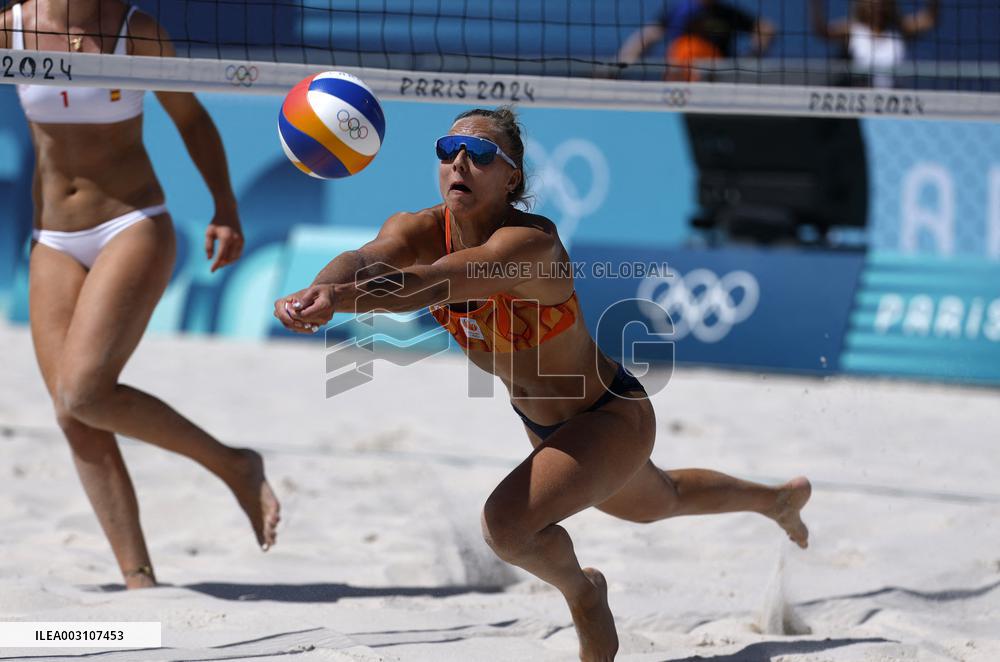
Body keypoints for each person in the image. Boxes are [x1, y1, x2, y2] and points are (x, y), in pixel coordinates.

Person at [274, 106, 811, 661]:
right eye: (447, 149)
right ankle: (776, 500)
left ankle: (583, 593)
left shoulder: (531, 245)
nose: (460, 161)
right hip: (546, 430)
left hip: (608, 414)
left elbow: (433, 283)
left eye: (480, 154)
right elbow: (364, 260)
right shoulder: (417, 228)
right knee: (658, 500)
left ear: (512, 177)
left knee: (506, 527)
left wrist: (339, 301)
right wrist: (321, 289)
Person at [0, 0, 280, 589]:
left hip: (131, 223)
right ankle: (140, 582)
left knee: (83, 391)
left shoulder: (136, 30)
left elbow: (192, 119)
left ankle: (232, 465)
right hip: (51, 236)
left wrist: (225, 207)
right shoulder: (12, 28)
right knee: (74, 414)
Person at [614, 0, 776, 81]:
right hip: (680, 81)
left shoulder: (727, 13)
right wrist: (623, 62)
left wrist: (751, 56)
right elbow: (647, 35)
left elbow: (766, 28)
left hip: (714, 80)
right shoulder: (680, 11)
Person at [810, 0, 940, 88]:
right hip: (859, 103)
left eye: (882, 2)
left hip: (894, 103)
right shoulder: (852, 30)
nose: (878, 5)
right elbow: (823, 32)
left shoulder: (899, 30)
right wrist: (816, 5)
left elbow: (930, 19)